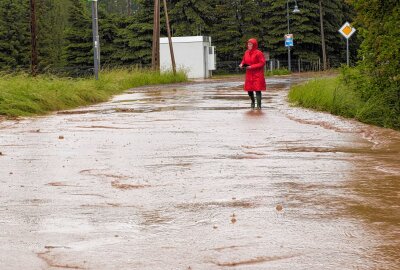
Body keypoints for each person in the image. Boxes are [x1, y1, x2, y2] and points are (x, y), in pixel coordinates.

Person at [239, 38, 266, 109]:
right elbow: (244, 61)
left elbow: (262, 63)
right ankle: (253, 101)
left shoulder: (259, 53)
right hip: (249, 74)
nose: (249, 45)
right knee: (249, 90)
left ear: (254, 45)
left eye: (250, 44)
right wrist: (241, 64)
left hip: (257, 74)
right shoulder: (246, 52)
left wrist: (252, 67)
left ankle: (259, 106)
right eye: (248, 44)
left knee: (258, 90)